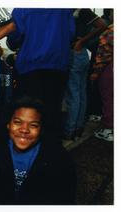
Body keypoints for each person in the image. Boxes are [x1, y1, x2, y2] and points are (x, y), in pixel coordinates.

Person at [0, 96, 77, 204]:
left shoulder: (58, 159)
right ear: (8, 124)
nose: (24, 130)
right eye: (17, 122)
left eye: (33, 125)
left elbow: (64, 199)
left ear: (41, 129)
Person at [6, 9, 75, 139]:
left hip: (30, 66)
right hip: (57, 65)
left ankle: (29, 152)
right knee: (52, 111)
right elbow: (71, 34)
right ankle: (50, 150)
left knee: (29, 113)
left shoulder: (22, 9)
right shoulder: (65, 9)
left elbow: (15, 37)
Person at [63, 9, 107, 140]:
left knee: (73, 94)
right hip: (81, 54)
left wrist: (81, 41)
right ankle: (78, 127)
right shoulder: (79, 10)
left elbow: (102, 25)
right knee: (81, 92)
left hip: (75, 52)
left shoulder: (81, 10)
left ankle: (70, 130)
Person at [90, 9, 114, 142]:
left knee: (108, 97)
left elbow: (103, 55)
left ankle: (108, 129)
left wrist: (95, 72)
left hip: (109, 67)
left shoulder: (110, 32)